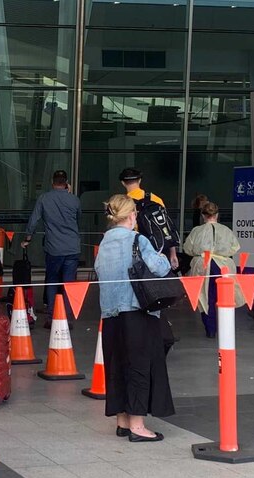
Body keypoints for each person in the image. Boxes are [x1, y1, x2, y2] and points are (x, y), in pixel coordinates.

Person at [94, 194, 174, 442]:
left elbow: (98, 271)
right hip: (136, 312)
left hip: (110, 315)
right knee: (139, 366)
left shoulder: (104, 243)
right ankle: (138, 426)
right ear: (132, 215)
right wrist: (161, 255)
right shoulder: (137, 240)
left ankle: (122, 422)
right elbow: (161, 268)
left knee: (116, 366)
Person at [22, 170, 82, 325]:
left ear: (52, 182)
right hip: (72, 248)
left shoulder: (44, 199)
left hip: (53, 248)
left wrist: (28, 238)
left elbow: (33, 220)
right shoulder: (74, 199)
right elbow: (78, 219)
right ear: (67, 183)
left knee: (52, 281)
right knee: (69, 284)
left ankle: (51, 317)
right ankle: (66, 318)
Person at [183, 201, 245, 338]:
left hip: (203, 266)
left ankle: (210, 329)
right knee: (226, 298)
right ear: (217, 214)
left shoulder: (197, 231)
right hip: (223, 266)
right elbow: (235, 247)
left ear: (203, 215)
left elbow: (187, 249)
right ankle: (226, 328)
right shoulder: (226, 230)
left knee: (205, 298)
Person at [120, 167, 180, 270]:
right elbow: (167, 226)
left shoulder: (123, 204)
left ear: (123, 183)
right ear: (139, 180)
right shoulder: (155, 199)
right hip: (160, 250)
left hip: (137, 251)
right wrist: (173, 254)